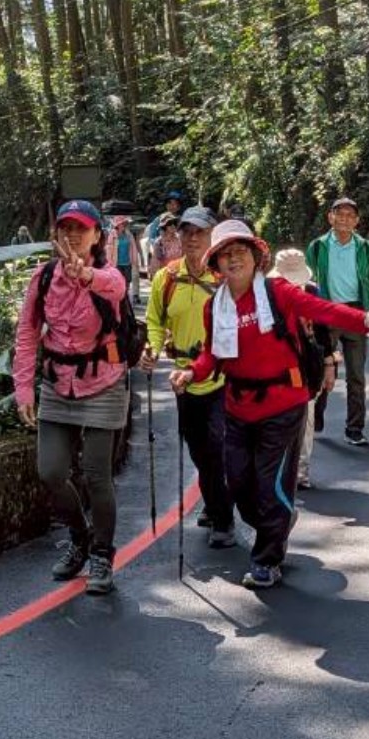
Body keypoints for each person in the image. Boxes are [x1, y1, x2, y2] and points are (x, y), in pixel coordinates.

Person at [171, 219, 369, 588]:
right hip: (238, 407)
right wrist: (190, 373)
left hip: (283, 404)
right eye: (226, 254)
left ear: (255, 257)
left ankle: (267, 559)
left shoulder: (277, 291)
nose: (234, 259)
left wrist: (368, 319)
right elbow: (212, 355)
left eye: (240, 251)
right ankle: (277, 522)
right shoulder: (215, 307)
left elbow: (322, 309)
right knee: (237, 483)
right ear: (216, 264)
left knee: (270, 484)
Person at [14, 200, 131, 595]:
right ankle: (80, 537)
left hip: (104, 383)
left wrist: (85, 275)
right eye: (66, 228)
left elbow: (116, 287)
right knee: (50, 471)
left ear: (97, 235)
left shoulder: (108, 276)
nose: (73, 235)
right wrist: (23, 388)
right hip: (57, 384)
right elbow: (28, 332)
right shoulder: (44, 277)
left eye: (82, 228)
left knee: (97, 474)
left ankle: (102, 554)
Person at [141, 205, 235, 548]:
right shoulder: (167, 278)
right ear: (178, 236)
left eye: (200, 232)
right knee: (197, 448)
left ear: (213, 236)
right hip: (184, 379)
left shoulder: (225, 278)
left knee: (216, 447)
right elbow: (155, 321)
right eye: (187, 232)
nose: (193, 238)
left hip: (223, 378)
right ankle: (213, 499)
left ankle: (223, 520)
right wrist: (152, 349)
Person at [305, 196, 369, 448]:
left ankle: (354, 428)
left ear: (357, 220)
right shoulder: (317, 247)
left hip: (356, 312)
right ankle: (315, 420)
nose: (344, 218)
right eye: (339, 213)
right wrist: (307, 319)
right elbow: (307, 285)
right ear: (330, 217)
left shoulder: (365, 248)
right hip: (326, 312)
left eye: (350, 215)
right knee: (321, 369)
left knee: (356, 375)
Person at [271, 248, 339, 491]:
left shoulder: (311, 291)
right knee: (277, 422)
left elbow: (323, 330)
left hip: (308, 367)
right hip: (276, 369)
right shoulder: (265, 295)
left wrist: (329, 365)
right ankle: (277, 470)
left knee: (306, 420)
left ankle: (300, 471)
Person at [143, 188, 186, 273]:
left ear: (179, 206)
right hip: (163, 257)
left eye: (175, 204)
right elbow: (152, 237)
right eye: (170, 203)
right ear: (166, 205)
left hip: (178, 256)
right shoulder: (159, 219)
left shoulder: (182, 220)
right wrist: (159, 247)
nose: (172, 206)